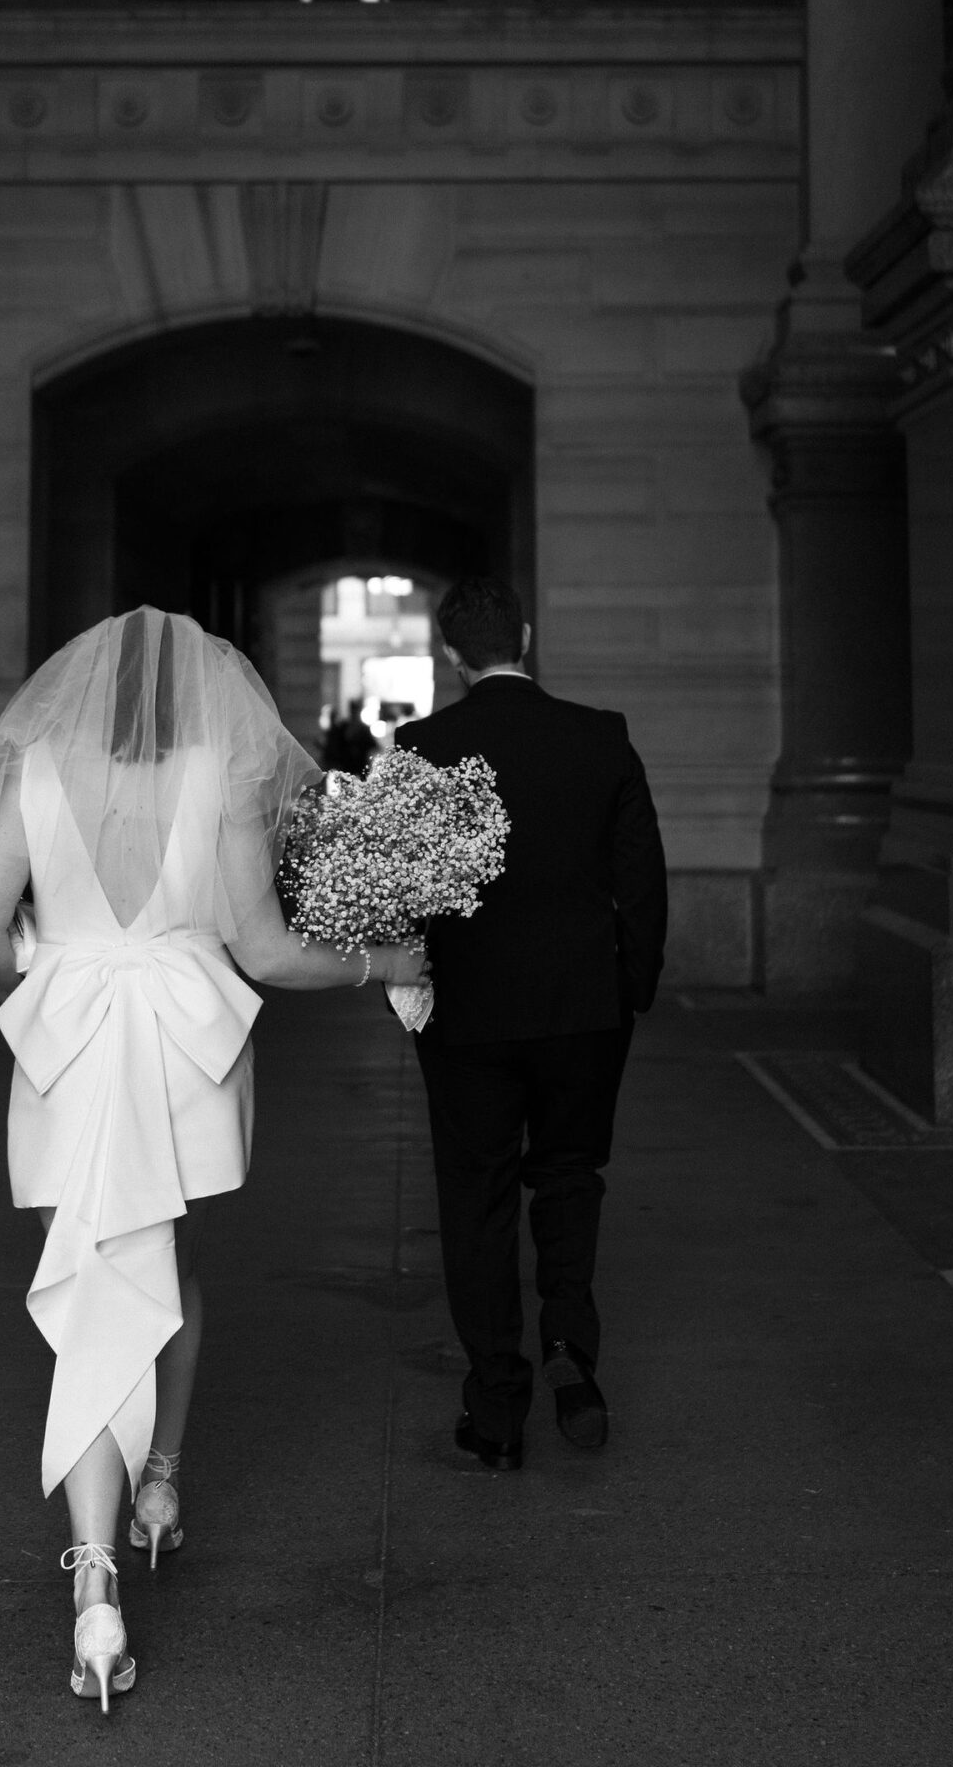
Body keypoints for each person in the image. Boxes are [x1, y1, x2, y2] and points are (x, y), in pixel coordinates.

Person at [0, 609, 426, 1711]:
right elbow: (263, 950)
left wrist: (38, 996)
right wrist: (386, 956)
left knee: (91, 1293)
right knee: (166, 1273)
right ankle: (159, 1483)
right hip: (181, 1048)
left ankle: (96, 1584)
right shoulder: (221, 771)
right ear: (200, 695)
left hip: (67, 1042)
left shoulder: (31, 769)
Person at [395, 575, 667, 1469]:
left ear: (449, 653)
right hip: (583, 1008)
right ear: (527, 637)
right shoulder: (600, 736)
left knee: (474, 1196)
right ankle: (568, 1349)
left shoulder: (422, 747)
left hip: (468, 1012)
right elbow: (642, 878)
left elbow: (405, 891)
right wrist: (634, 987)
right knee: (569, 1175)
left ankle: (498, 1409)